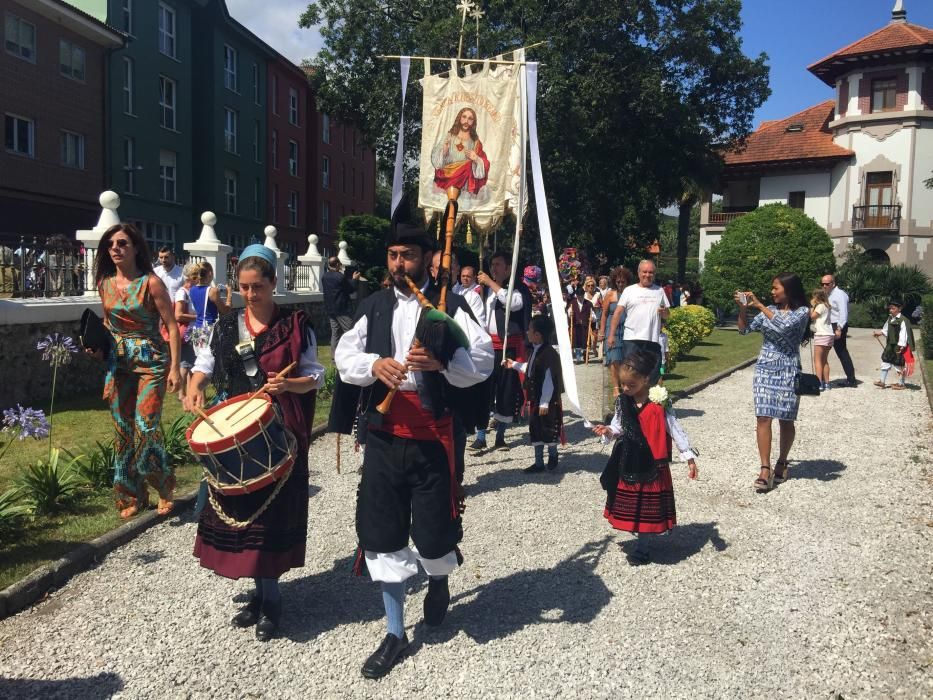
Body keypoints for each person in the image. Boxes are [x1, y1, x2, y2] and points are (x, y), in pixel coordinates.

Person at [330, 214, 492, 679]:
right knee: (381, 532)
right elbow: (343, 355)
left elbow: (482, 359)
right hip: (383, 436)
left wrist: (442, 363)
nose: (400, 263)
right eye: (393, 255)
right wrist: (374, 364)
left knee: (435, 532)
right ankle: (395, 632)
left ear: (427, 259)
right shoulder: (375, 304)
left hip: (434, 438)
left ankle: (438, 580)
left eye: (408, 255)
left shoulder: (451, 306)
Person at [186, 244, 325, 642]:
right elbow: (204, 365)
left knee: (271, 517)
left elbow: (315, 374)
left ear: (273, 283)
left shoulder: (296, 324)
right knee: (244, 513)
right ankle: (259, 596)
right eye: (244, 288)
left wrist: (289, 383)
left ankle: (272, 600)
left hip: (279, 430)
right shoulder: (225, 326)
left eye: (257, 287)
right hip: (235, 428)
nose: (249, 295)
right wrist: (196, 388)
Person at [91, 224, 180, 518]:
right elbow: (107, 325)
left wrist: (175, 369)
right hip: (119, 365)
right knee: (123, 432)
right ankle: (131, 495)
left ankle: (164, 488)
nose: (115, 248)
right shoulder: (104, 284)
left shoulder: (151, 283)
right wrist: (96, 346)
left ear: (136, 248)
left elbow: (171, 327)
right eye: (111, 245)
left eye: (122, 243)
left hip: (151, 363)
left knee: (145, 426)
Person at [592, 350, 698, 565]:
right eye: (623, 384)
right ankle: (639, 534)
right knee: (633, 502)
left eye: (631, 385)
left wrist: (688, 456)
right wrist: (608, 431)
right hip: (629, 459)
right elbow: (619, 427)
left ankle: (643, 546)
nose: (626, 389)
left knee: (647, 504)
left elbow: (674, 428)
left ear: (645, 380)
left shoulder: (659, 403)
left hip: (652, 461)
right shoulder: (623, 402)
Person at [735, 273, 811, 493]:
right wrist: (743, 309)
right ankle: (765, 468)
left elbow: (785, 326)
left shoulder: (802, 312)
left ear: (789, 289)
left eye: (776, 288)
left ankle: (782, 462)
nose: (772, 292)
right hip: (765, 369)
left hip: (788, 369)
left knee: (786, 420)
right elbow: (743, 330)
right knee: (763, 417)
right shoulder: (770, 309)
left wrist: (758, 305)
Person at [472, 251, 529, 451]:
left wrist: (491, 284)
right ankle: (480, 436)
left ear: (507, 268)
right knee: (483, 390)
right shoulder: (483, 290)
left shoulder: (516, 288)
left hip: (507, 347)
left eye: (498, 264)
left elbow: (514, 304)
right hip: (487, 346)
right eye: (492, 264)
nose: (494, 268)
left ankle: (501, 436)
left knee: (505, 391)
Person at [505, 315, 563, 474]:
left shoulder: (549, 354)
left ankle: (553, 455)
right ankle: (538, 463)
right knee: (535, 429)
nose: (527, 332)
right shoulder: (535, 350)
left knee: (548, 428)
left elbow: (549, 380)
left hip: (545, 402)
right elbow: (530, 369)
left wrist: (544, 402)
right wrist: (514, 365)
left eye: (529, 330)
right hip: (535, 399)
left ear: (537, 335)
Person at [608, 259, 670, 383]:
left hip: (652, 339)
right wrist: (611, 335)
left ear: (654, 274)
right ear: (639, 272)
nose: (647, 275)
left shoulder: (659, 291)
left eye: (651, 272)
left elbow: (667, 315)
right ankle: (630, 400)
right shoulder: (629, 290)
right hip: (632, 339)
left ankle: (649, 400)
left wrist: (664, 313)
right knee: (631, 374)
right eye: (645, 272)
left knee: (652, 374)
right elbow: (617, 313)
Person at [431, 107, 489, 197]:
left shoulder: (476, 142)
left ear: (473, 122)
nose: (466, 121)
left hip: (465, 184)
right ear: (459, 118)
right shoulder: (449, 136)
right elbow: (436, 162)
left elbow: (485, 164)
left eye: (470, 119)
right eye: (464, 117)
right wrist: (444, 152)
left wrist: (476, 159)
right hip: (447, 178)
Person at [598, 266, 633, 397]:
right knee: (614, 359)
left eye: (623, 281)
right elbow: (604, 314)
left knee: (625, 359)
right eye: (618, 281)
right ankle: (616, 387)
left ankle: (625, 384)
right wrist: (602, 331)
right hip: (611, 328)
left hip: (626, 328)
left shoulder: (630, 293)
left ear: (627, 281)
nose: (620, 284)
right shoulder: (610, 295)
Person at [187, 262, 233, 351]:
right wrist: (229, 294)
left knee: (200, 359)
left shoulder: (192, 290)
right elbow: (225, 311)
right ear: (210, 273)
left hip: (197, 330)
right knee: (212, 361)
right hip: (209, 330)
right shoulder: (212, 291)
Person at [821, 274, 857, 387]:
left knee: (841, 351)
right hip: (830, 325)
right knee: (824, 350)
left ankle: (851, 380)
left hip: (837, 325)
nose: (824, 286)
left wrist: (839, 328)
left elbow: (843, 313)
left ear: (833, 283)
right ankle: (822, 378)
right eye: (822, 284)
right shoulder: (829, 294)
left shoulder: (840, 294)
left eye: (827, 284)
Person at [172, 262, 199, 401]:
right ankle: (180, 393)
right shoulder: (182, 293)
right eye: (196, 275)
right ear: (190, 277)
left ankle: (186, 393)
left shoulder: (190, 292)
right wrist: (198, 316)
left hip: (192, 330)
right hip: (187, 331)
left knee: (189, 364)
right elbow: (178, 315)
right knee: (187, 364)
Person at [322, 256, 360, 348]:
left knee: (335, 334)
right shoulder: (340, 277)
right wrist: (355, 280)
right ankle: (352, 352)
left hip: (330, 309)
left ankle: (334, 357)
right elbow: (350, 289)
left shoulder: (324, 276)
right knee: (350, 331)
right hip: (342, 309)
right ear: (338, 264)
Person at [873, 299, 912, 390]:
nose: (891, 310)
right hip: (890, 344)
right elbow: (886, 329)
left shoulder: (903, 320)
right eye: (890, 308)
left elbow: (904, 334)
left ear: (900, 309)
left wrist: (902, 346)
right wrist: (880, 333)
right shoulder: (890, 318)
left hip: (898, 345)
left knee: (899, 364)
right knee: (885, 360)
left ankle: (901, 384)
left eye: (893, 308)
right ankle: (882, 381)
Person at [809, 288, 834, 391]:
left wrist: (811, 306)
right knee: (824, 361)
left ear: (817, 297)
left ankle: (819, 383)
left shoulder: (819, 306)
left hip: (821, 334)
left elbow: (811, 317)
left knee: (817, 360)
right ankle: (827, 383)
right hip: (829, 334)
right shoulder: (827, 306)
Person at [568, 286, 593, 364]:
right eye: (578, 296)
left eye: (581, 295)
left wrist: (592, 318)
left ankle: (586, 357)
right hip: (576, 325)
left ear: (583, 295)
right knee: (577, 342)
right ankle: (578, 359)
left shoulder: (588, 303)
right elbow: (569, 312)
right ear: (576, 295)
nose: (580, 297)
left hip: (585, 326)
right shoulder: (572, 303)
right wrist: (570, 314)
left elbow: (593, 315)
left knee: (585, 341)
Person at [583, 276, 602, 359]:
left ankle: (594, 348)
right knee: (586, 335)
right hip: (586, 317)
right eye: (588, 285)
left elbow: (602, 305)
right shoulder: (584, 295)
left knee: (595, 336)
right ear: (586, 286)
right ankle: (586, 351)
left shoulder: (598, 294)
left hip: (595, 317)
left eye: (592, 285)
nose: (590, 287)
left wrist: (598, 306)